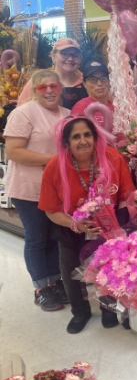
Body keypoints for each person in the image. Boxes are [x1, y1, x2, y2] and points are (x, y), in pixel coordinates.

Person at [38, 116, 135, 334]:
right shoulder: (54, 168)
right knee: (70, 271)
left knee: (109, 270)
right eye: (76, 137)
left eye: (87, 135)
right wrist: (76, 225)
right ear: (66, 143)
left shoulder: (112, 158)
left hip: (109, 228)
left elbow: (125, 195)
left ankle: (109, 308)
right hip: (71, 229)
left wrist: (113, 224)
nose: (83, 141)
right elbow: (51, 210)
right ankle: (80, 312)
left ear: (95, 137)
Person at [4, 70, 70, 311]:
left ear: (61, 88)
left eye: (54, 86)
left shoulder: (68, 115)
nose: (49, 91)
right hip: (28, 189)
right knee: (36, 238)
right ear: (34, 90)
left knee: (54, 238)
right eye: (42, 87)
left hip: (57, 190)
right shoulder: (24, 113)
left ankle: (54, 281)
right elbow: (13, 151)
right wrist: (52, 160)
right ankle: (41, 288)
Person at [18, 37, 88, 109]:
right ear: (53, 56)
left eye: (75, 55)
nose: (70, 59)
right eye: (64, 54)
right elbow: (21, 112)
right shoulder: (38, 80)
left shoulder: (88, 80)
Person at [70, 61, 114, 128]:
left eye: (103, 79)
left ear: (109, 81)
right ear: (85, 84)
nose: (99, 84)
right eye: (93, 80)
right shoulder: (80, 108)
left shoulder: (118, 105)